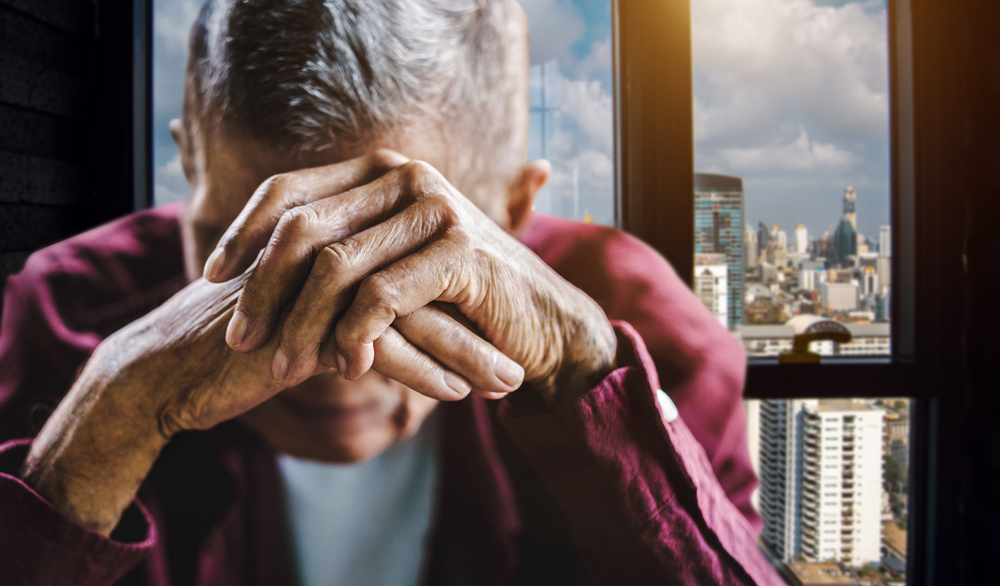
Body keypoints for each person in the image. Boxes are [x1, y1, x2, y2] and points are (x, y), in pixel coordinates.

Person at [0, 0, 778, 584]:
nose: (324, 353)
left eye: (405, 256)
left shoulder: (644, 338)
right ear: (189, 168)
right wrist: (105, 423)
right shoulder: (64, 313)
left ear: (509, 213)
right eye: (255, 252)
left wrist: (587, 381)